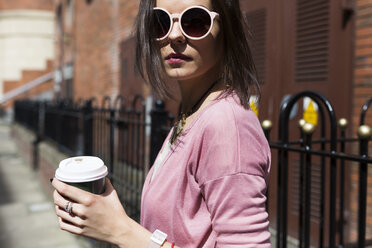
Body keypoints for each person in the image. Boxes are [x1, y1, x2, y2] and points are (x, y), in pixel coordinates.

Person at [52, 0, 271, 247]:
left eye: (195, 21)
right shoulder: (193, 111)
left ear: (226, 29)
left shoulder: (226, 124)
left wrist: (121, 231)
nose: (174, 35)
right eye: (161, 23)